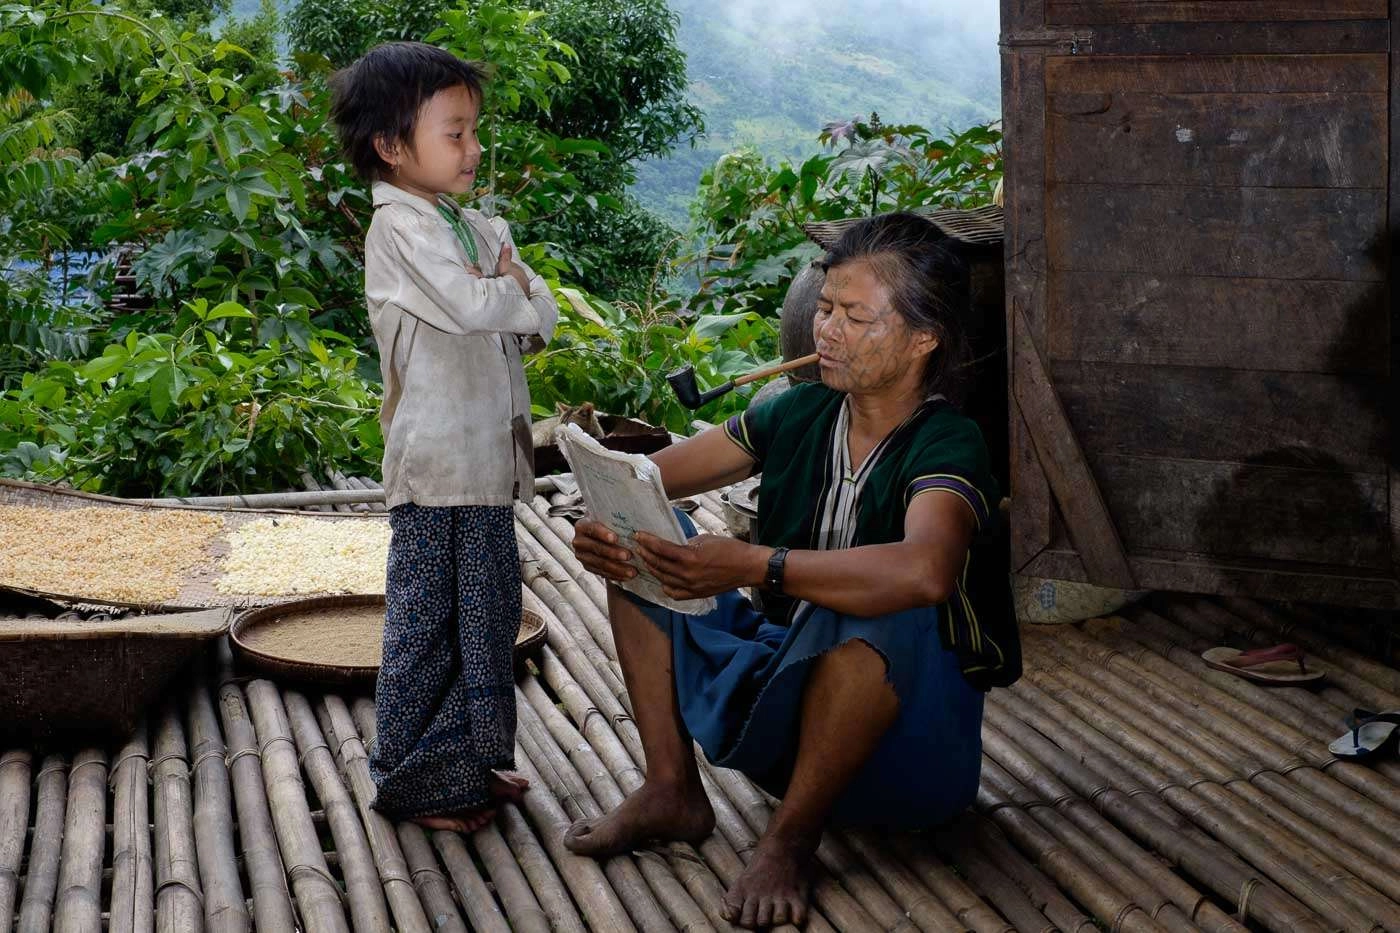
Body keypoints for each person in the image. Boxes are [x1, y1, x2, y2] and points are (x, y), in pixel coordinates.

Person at [568, 212, 1018, 928]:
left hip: (909, 755)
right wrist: (604, 520)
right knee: (648, 534)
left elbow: (926, 571)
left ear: (923, 338)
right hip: (787, 718)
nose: (826, 331)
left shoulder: (948, 443)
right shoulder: (798, 411)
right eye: (826, 309)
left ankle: (790, 839)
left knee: (883, 594)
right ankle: (671, 786)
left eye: (855, 316)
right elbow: (645, 478)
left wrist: (757, 564)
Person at [329, 41, 559, 833]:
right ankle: (410, 781)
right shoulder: (399, 230)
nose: (474, 148)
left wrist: (514, 288)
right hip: (436, 467)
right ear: (393, 148)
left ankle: (464, 766)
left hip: (484, 467)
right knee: (428, 626)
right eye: (454, 133)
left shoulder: (466, 222)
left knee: (485, 617)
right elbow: (480, 306)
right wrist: (512, 286)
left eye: (473, 131)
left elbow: (538, 314)